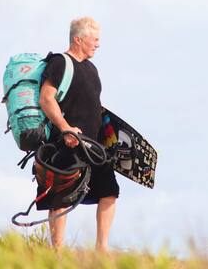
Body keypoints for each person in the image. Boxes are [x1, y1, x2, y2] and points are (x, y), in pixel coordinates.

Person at [35, 17, 119, 252]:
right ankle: (58, 253)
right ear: (78, 39)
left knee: (110, 192)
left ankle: (101, 250)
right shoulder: (60, 63)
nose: (98, 44)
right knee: (61, 197)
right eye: (95, 39)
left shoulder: (92, 69)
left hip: (93, 146)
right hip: (67, 143)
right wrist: (65, 129)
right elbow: (46, 98)